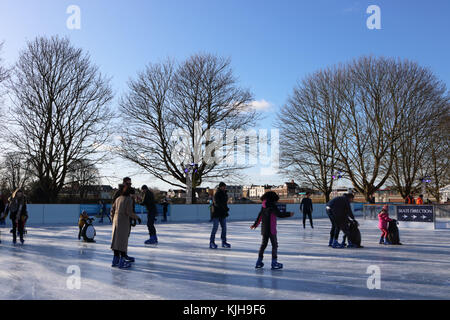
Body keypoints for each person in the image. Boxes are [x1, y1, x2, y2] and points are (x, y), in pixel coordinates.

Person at [251, 191, 294, 270]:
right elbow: (279, 214)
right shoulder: (272, 205)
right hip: (271, 229)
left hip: (264, 229)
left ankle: (258, 261)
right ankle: (274, 263)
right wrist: (289, 214)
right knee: (274, 245)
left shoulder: (263, 205)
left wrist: (255, 225)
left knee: (263, 245)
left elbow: (260, 216)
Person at [110, 184, 141, 269]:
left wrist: (113, 219)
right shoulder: (128, 199)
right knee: (123, 241)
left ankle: (115, 260)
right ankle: (122, 261)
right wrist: (137, 218)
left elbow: (112, 210)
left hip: (115, 222)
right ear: (130, 193)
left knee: (116, 240)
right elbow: (128, 212)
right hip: (123, 222)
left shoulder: (118, 198)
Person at [210, 182, 230, 249]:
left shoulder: (225, 194)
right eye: (223, 187)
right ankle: (211, 242)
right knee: (215, 228)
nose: (224, 188)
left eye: (225, 186)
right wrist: (224, 208)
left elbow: (225, 203)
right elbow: (216, 203)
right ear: (220, 187)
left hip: (223, 214)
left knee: (224, 228)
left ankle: (224, 242)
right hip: (216, 213)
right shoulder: (217, 194)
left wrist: (226, 209)